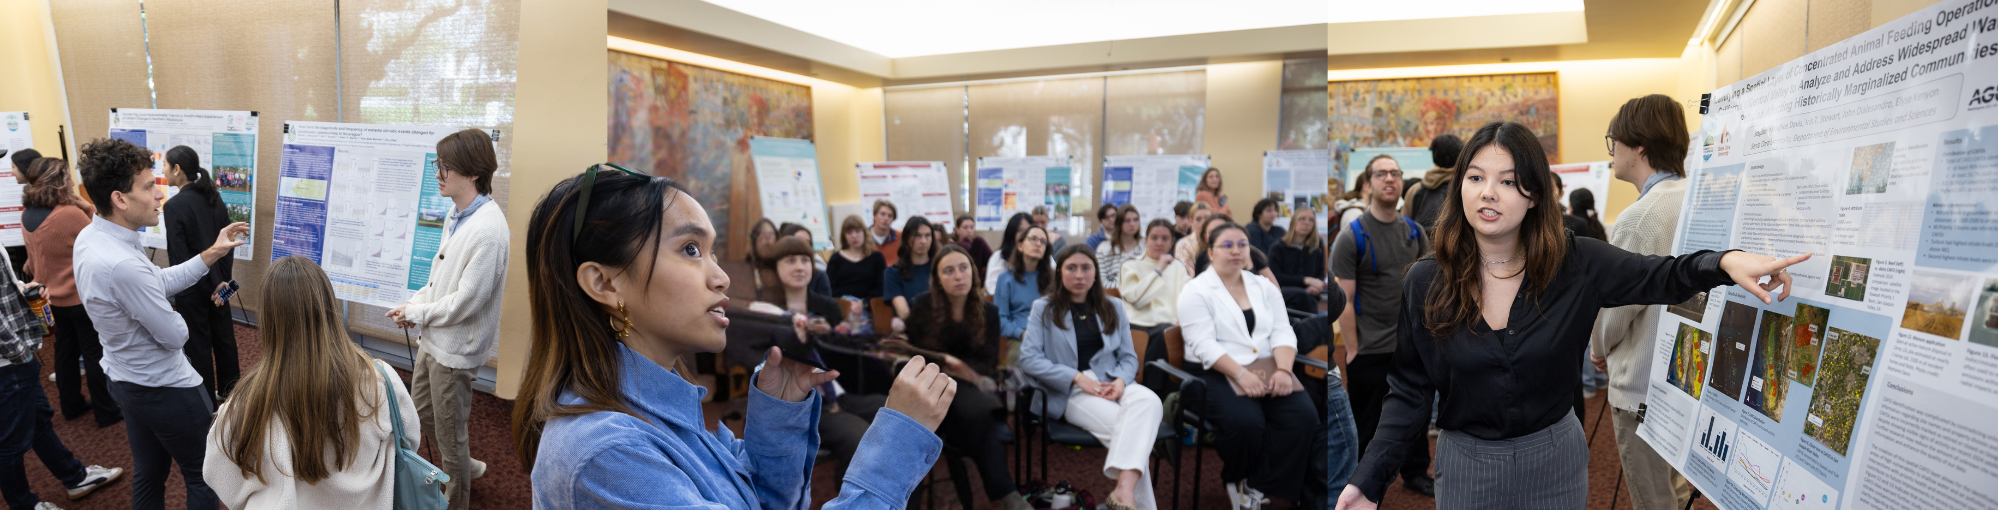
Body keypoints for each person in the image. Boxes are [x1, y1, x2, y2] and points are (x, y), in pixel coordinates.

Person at [1337, 122, 1810, 510]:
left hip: (1555, 460)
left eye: (1507, 181)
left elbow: (1660, 275)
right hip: (1467, 466)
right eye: (1476, 177)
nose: (1489, 193)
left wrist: (1724, 262)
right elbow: (1409, 392)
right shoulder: (1426, 281)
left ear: (1535, 195)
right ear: (1460, 185)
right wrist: (1369, 478)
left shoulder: (1575, 262)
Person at [512, 164, 955, 509]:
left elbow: (759, 501)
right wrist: (899, 439)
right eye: (690, 250)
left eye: (712, 252)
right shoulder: (606, 454)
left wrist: (779, 414)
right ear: (605, 284)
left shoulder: (664, 407)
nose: (721, 277)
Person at [74, 137, 249, 510]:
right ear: (120, 199)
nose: (160, 195)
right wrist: (174, 315)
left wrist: (212, 252)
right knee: (207, 476)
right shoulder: (121, 264)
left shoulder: (95, 237)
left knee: (149, 474)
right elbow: (176, 334)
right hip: (166, 389)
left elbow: (158, 281)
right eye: (149, 186)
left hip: (127, 380)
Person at [203, 256, 417, 509]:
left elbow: (220, 475)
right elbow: (409, 441)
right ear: (329, 306)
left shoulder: (245, 404)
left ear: (269, 319)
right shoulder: (382, 379)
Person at [384, 128, 509, 510]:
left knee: (451, 438)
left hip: (456, 350)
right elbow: (440, 282)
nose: (438, 175)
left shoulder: (489, 230)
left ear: (473, 174)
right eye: (438, 165)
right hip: (435, 339)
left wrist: (417, 312)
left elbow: (465, 302)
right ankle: (467, 466)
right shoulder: (457, 214)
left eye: (445, 168)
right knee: (421, 411)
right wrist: (415, 305)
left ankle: (456, 497)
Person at [1589, 93, 1694, 510]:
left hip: (1643, 387)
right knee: (1677, 490)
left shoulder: (1643, 215)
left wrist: (1598, 349)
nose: (1612, 151)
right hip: (1686, 377)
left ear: (1641, 146)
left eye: (1614, 140)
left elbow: (1615, 309)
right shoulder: (1697, 196)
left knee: (1654, 499)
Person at [1177, 222, 1318, 509]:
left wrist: (1283, 370)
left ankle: (1264, 483)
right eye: (1226, 246)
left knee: (1304, 417)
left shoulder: (1263, 285)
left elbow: (1282, 331)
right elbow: (1204, 345)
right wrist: (1241, 375)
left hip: (1266, 365)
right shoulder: (1195, 291)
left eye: (1242, 244)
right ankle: (1236, 477)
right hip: (1212, 371)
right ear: (1211, 252)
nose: (1236, 251)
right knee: (1247, 423)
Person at [1018, 245, 1161, 510]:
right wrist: (1074, 377)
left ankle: (1123, 492)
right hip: (1069, 389)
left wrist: (1120, 382)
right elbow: (1029, 360)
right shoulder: (1044, 308)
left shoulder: (1113, 306)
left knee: (1151, 401)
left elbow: (1129, 358)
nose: (1079, 275)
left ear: (1095, 272)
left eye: (1086, 268)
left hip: (1113, 379)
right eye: (1071, 268)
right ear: (1059, 272)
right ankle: (1132, 499)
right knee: (1132, 433)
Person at [1331, 158, 1435, 498]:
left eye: (1395, 174)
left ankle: (1416, 473)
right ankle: (1363, 488)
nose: (1390, 179)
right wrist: (1354, 348)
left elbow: (1428, 288)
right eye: (1381, 174)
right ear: (1368, 185)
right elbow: (1343, 299)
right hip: (1369, 348)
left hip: (1409, 347)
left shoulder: (1414, 231)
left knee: (1416, 416)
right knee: (1368, 422)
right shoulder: (1352, 237)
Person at [903, 245, 1031, 510]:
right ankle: (1008, 494)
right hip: (932, 387)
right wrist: (947, 367)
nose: (958, 276)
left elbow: (987, 363)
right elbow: (916, 356)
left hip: (972, 386)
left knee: (972, 407)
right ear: (938, 279)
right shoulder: (923, 306)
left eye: (963, 268)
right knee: (978, 413)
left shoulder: (989, 312)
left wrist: (960, 370)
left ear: (973, 273)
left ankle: (971, 483)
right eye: (948, 271)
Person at [0, 245, 125, 510]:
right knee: (10, 442)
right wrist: (19, 353)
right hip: (8, 361)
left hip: (16, 356)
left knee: (39, 419)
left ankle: (75, 477)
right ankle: (23, 505)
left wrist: (22, 288)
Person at [756, 238, 881, 478]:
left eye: (805, 260)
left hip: (838, 393)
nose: (800, 266)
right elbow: (761, 366)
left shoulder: (827, 307)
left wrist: (842, 337)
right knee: (858, 435)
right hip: (798, 406)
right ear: (776, 268)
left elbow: (845, 361)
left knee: (892, 410)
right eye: (790, 260)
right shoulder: (766, 312)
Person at [18, 157, 120, 427]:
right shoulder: (68, 215)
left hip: (50, 300)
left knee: (64, 353)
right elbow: (103, 234)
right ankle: (106, 411)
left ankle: (71, 405)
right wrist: (85, 205)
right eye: (68, 177)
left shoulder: (26, 214)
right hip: (79, 298)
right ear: (58, 181)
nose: (73, 182)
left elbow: (31, 261)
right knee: (94, 355)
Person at [162, 146, 240, 402]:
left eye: (165, 165)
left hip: (193, 288)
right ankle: (232, 394)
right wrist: (221, 282)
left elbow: (181, 258)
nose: (162, 170)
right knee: (224, 339)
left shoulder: (173, 206)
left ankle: (206, 401)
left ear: (177, 169)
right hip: (219, 284)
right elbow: (227, 246)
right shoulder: (213, 196)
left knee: (198, 345)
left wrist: (210, 283)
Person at [1119, 219, 1191, 398]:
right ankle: (1152, 393)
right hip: (1138, 322)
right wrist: (1158, 269)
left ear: (1172, 242)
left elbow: (1188, 296)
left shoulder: (1178, 267)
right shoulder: (1130, 265)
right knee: (1162, 334)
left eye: (1165, 238)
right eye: (1154, 238)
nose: (1159, 243)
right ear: (1145, 241)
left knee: (1178, 333)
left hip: (1170, 323)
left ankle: (1174, 398)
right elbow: (1136, 299)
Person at [995, 225, 1053, 341]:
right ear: (1020, 245)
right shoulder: (1005, 278)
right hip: (1018, 336)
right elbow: (1000, 319)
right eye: (1033, 239)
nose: (1038, 244)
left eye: (1043, 242)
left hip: (1049, 336)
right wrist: (1021, 334)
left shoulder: (1053, 278)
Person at [1400, 134, 1463, 237]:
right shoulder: (1465, 186)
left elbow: (1404, 228)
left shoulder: (1415, 190)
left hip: (1421, 251)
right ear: (1460, 156)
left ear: (1434, 157)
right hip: (1457, 251)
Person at [1268, 208, 1327, 313]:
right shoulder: (1278, 247)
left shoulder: (1317, 245)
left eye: (1311, 220)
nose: (1307, 223)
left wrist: (1317, 287)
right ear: (1293, 222)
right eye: (1302, 219)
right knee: (1302, 296)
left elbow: (1320, 272)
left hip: (1310, 293)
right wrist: (1306, 280)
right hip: (1284, 293)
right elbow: (1276, 277)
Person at [882, 216, 938, 322]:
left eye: (928, 235)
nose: (923, 241)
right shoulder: (892, 273)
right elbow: (904, 312)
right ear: (907, 238)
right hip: (912, 327)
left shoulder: (940, 267)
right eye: (917, 236)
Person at [827, 215, 886, 299]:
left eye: (858, 231)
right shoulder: (836, 258)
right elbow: (829, 287)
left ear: (864, 233)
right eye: (849, 232)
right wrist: (847, 302)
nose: (854, 236)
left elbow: (881, 287)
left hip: (869, 306)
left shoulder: (877, 257)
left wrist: (864, 303)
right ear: (844, 236)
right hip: (843, 304)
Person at [775, 222, 833, 296]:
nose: (803, 245)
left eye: (808, 242)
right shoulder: (774, 277)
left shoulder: (819, 276)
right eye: (799, 240)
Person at [1094, 205, 1142, 290]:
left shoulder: (1146, 246)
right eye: (1127, 221)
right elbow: (1101, 282)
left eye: (1135, 220)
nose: (1132, 224)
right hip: (1113, 296)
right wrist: (1126, 290)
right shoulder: (1104, 248)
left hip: (1142, 295)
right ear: (1119, 224)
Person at [985, 213, 1032, 293]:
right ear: (1011, 232)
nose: (1025, 235)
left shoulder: (1042, 254)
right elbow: (992, 287)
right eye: (1019, 230)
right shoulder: (998, 257)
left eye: (1028, 231)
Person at [744, 218, 779, 291]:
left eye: (770, 235)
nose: (767, 240)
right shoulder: (745, 271)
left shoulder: (783, 268)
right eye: (762, 235)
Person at [869, 200, 902, 265]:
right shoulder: (863, 237)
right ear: (874, 215)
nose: (886, 218)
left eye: (890, 216)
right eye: (882, 214)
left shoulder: (900, 237)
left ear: (893, 219)